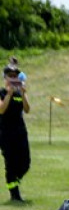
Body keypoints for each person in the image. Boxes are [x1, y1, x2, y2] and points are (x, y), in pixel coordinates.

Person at [0, 65, 30, 202]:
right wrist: (9, 94)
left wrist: (23, 94)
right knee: (11, 162)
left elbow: (27, 109)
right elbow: (1, 110)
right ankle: (14, 194)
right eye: (10, 76)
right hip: (6, 132)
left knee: (25, 162)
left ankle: (15, 179)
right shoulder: (1, 93)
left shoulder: (20, 93)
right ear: (5, 78)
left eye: (15, 76)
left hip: (20, 130)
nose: (13, 78)